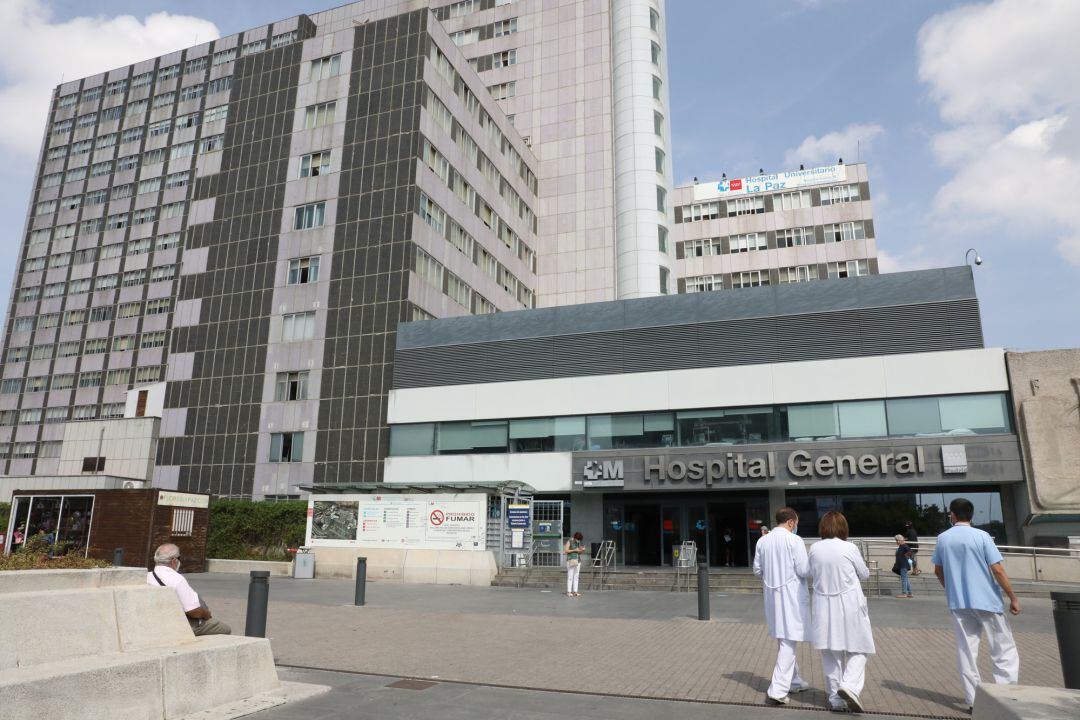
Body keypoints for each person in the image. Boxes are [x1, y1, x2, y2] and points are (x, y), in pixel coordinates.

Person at [931, 498, 1020, 712]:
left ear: (952, 515)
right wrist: (1013, 597)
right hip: (987, 600)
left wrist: (951, 589)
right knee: (1002, 648)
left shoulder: (943, 538)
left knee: (967, 651)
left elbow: (938, 570)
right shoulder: (982, 537)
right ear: (971, 515)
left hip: (959, 602)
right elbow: (997, 569)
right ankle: (1004, 695)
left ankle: (973, 700)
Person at [809, 511, 875, 713]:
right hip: (849, 604)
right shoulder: (849, 547)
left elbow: (811, 572)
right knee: (860, 648)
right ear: (843, 527)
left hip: (823, 605)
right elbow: (864, 574)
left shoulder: (814, 548)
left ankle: (835, 699)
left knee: (830, 653)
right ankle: (849, 685)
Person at [753, 507, 812, 706]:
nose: (797, 525)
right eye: (797, 522)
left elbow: (757, 570)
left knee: (783, 638)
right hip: (792, 597)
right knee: (789, 641)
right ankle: (777, 689)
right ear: (791, 522)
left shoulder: (762, 541)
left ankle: (794, 680)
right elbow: (803, 570)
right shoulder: (794, 540)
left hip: (772, 597)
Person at [147, 543, 231, 636]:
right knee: (225, 629)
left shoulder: (148, 576)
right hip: (180, 625)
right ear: (174, 561)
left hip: (157, 621)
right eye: (179, 558)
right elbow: (193, 611)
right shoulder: (176, 579)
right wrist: (206, 614)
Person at [563, 532, 585, 597]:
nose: (578, 541)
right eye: (578, 539)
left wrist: (582, 550)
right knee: (570, 576)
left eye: (579, 540)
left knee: (576, 576)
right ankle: (569, 591)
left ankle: (575, 591)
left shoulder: (578, 542)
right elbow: (566, 550)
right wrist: (575, 550)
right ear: (575, 537)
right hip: (571, 560)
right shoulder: (570, 541)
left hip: (578, 560)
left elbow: (579, 552)